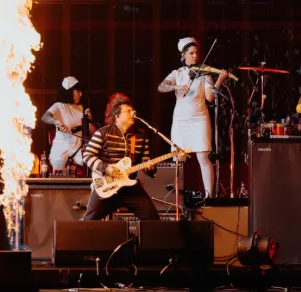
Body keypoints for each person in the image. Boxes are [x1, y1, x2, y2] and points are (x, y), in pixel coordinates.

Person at [158, 37, 228, 197]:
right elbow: (161, 87)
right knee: (178, 160)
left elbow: (210, 98)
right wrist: (176, 86)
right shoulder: (177, 73)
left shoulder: (205, 74)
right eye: (191, 53)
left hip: (199, 119)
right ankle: (177, 197)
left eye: (197, 53)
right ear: (183, 55)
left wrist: (220, 81)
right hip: (181, 121)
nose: (195, 56)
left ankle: (209, 197)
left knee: (203, 157)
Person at [81, 93, 159, 220]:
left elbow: (145, 164)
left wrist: (150, 167)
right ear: (117, 115)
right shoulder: (103, 133)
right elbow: (87, 155)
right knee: (89, 221)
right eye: (128, 111)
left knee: (152, 219)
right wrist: (106, 168)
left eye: (132, 110)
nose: (132, 113)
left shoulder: (141, 136)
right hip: (107, 185)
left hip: (130, 188)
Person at [39, 76, 95, 175]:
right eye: (78, 91)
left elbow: (93, 133)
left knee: (92, 165)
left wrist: (89, 121)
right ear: (70, 92)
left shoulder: (82, 108)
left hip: (78, 150)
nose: (81, 94)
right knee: (58, 168)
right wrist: (57, 122)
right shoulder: (59, 106)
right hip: (61, 149)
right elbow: (45, 117)